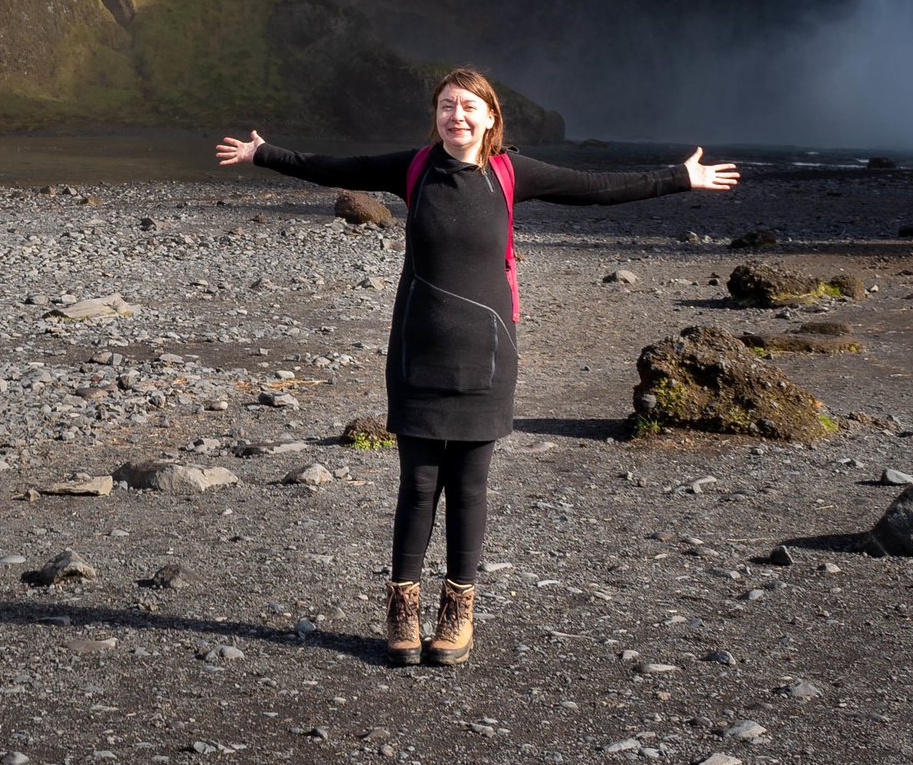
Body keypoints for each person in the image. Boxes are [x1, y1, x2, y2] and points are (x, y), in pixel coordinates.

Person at [216, 67, 740, 667]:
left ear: (491, 117)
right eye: (446, 105)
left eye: (468, 106)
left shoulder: (512, 173)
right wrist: (264, 154)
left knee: (468, 487)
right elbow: (337, 166)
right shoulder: (413, 168)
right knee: (417, 486)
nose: (456, 116)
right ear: (436, 116)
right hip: (416, 351)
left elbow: (597, 187)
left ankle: (457, 614)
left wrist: (680, 177)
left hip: (488, 354)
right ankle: (402, 610)